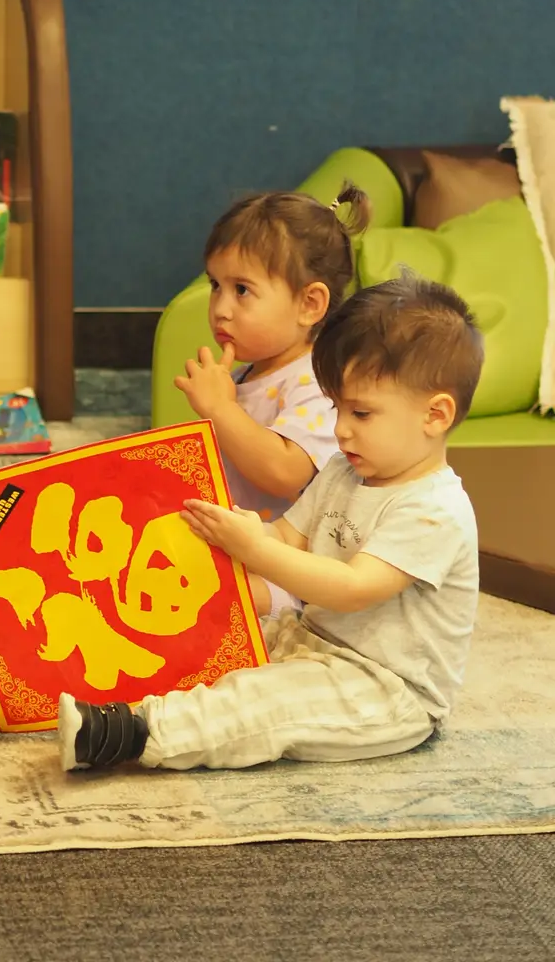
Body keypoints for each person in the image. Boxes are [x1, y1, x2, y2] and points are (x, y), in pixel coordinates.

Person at [58, 273, 483, 774]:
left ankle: (132, 734)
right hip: (309, 639)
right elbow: (287, 535)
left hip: (385, 688)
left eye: (362, 413)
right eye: (336, 408)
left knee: (262, 704)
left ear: (435, 416)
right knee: (214, 642)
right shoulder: (345, 471)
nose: (340, 428)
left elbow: (351, 589)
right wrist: (232, 530)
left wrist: (256, 551)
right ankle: (90, 688)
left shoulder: (434, 510)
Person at [172, 185, 370, 619]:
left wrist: (220, 410)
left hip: (294, 575)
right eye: (215, 286)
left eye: (241, 290)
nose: (221, 308)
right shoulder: (249, 373)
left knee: (205, 606)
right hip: (240, 546)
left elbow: (285, 473)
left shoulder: (319, 382)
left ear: (309, 304)